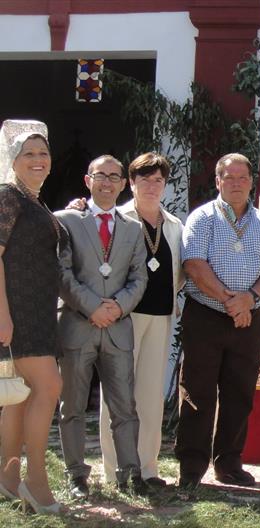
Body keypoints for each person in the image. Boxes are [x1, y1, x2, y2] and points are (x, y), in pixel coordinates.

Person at [176, 153, 260, 489]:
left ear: (251, 181)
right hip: (206, 314)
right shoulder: (202, 218)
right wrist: (229, 300)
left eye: (242, 177)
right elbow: (193, 263)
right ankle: (192, 468)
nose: (236, 183)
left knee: (239, 394)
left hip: (248, 318)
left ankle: (229, 462)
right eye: (229, 177)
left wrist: (248, 300)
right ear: (218, 181)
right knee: (197, 392)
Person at [56, 154, 149, 498]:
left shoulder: (133, 228)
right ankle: (76, 475)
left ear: (124, 184)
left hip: (117, 329)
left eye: (114, 177)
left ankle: (131, 473)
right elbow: (61, 273)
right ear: (88, 180)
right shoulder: (66, 220)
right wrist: (93, 307)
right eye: (100, 176)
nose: (107, 183)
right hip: (78, 325)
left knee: (125, 406)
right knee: (73, 406)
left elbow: (139, 277)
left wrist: (118, 307)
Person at [97, 153, 184, 488]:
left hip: (160, 317)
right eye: (144, 179)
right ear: (130, 183)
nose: (152, 185)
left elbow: (179, 272)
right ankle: (115, 471)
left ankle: (147, 469)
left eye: (158, 179)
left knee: (149, 395)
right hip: (123, 317)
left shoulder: (173, 225)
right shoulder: (116, 218)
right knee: (118, 395)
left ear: (165, 184)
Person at [0, 120, 65, 514]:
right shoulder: (8, 196)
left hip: (39, 310)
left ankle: (7, 479)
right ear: (13, 160)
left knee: (20, 399)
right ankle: (36, 483)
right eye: (29, 154)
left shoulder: (34, 201)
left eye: (43, 153)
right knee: (49, 387)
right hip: (18, 312)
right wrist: (2, 316)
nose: (38, 160)